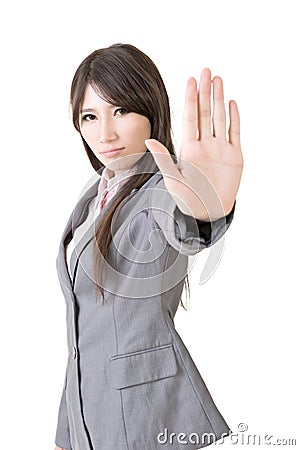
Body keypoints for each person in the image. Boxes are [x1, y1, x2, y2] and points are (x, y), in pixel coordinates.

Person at [54, 43, 243, 450]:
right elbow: (84, 334)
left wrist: (205, 209)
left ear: (150, 109)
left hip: (148, 414)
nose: (104, 133)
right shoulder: (92, 198)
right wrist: (66, 432)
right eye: (90, 116)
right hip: (90, 416)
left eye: (121, 110)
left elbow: (180, 225)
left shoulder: (162, 189)